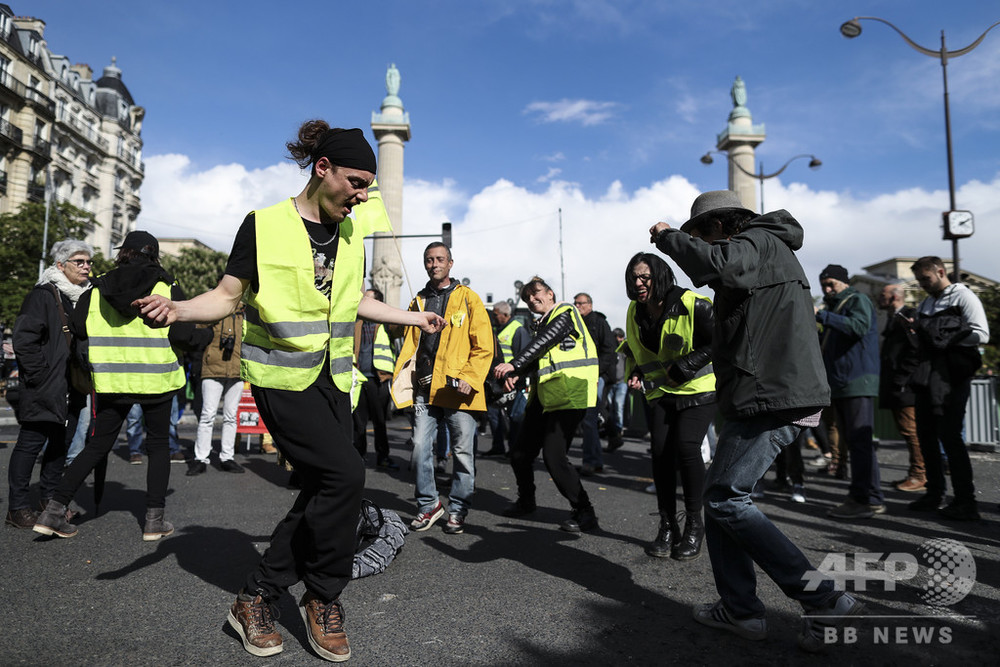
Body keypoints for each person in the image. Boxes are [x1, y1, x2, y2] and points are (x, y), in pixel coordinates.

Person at [132, 122, 444, 662]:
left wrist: (411, 315)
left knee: (325, 489)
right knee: (344, 476)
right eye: (356, 182)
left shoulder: (352, 222)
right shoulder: (264, 225)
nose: (364, 195)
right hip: (281, 377)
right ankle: (322, 595)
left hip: (333, 378)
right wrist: (179, 308)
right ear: (322, 169)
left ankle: (255, 595)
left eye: (371, 184)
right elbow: (228, 294)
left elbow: (351, 303)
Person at [651, 190, 861, 653]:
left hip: (773, 392)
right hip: (761, 391)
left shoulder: (760, 240)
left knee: (725, 498)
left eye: (703, 233)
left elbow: (721, 265)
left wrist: (669, 238)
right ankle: (741, 610)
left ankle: (823, 600)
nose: (703, 243)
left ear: (724, 226)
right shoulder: (761, 247)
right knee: (720, 498)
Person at [34, 231, 201, 541]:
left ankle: (53, 511)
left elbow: (80, 326)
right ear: (153, 254)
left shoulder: (96, 288)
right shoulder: (167, 287)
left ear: (124, 252)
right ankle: (154, 521)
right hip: (158, 379)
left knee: (97, 446)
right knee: (158, 445)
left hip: (112, 381)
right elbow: (184, 334)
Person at [392, 242, 493, 535]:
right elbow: (405, 337)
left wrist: (471, 378)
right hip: (424, 388)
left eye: (439, 259)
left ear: (450, 263)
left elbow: (484, 346)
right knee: (420, 447)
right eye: (429, 260)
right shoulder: (419, 300)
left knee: (462, 453)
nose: (434, 264)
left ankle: (458, 509)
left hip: (459, 390)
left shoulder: (468, 299)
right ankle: (429, 506)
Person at [621, 252, 716, 560]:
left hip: (700, 388)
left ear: (660, 276)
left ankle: (694, 524)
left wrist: (688, 364)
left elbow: (726, 337)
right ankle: (667, 525)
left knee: (687, 448)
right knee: (661, 453)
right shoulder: (635, 312)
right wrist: (636, 372)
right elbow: (640, 351)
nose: (638, 283)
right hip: (663, 391)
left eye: (644, 277)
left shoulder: (693, 304)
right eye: (634, 277)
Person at [494, 277, 600, 533]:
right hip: (544, 397)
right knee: (519, 453)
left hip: (569, 394)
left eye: (536, 293)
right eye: (526, 297)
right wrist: (518, 376)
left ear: (551, 293)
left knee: (554, 458)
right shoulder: (539, 325)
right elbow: (541, 355)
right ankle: (526, 500)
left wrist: (515, 364)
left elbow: (547, 340)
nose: (531, 299)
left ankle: (585, 511)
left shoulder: (565, 311)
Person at [6, 240, 91, 529]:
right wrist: (40, 376)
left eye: (88, 261)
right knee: (30, 444)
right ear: (60, 265)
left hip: (71, 386)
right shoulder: (42, 296)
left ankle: (48, 501)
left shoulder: (79, 298)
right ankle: (17, 509)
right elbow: (24, 339)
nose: (86, 266)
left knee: (59, 445)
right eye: (79, 261)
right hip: (45, 385)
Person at [898, 256, 989, 520]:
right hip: (928, 374)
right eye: (920, 280)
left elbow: (981, 333)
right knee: (926, 435)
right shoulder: (927, 302)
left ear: (940, 272)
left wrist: (945, 339)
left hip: (952, 376)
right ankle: (934, 492)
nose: (923, 284)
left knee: (950, 436)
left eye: (926, 279)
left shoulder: (963, 296)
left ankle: (965, 500)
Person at [814, 264, 884, 520]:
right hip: (843, 382)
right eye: (824, 285)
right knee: (855, 443)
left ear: (844, 282)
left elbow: (859, 327)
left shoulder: (857, 299)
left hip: (856, 380)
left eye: (831, 283)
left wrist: (822, 316)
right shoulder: (836, 306)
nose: (828, 289)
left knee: (860, 443)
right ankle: (865, 496)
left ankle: (866, 498)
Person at [876, 282, 924, 492]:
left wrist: (901, 378)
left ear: (894, 297)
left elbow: (915, 350)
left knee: (911, 431)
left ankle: (919, 475)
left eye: (883, 294)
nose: (879, 298)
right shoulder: (894, 318)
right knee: (908, 431)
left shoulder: (906, 317)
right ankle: (917, 473)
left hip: (905, 387)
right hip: (899, 384)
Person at [188, 309, 245, 475]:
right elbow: (197, 333)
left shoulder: (245, 312)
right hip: (211, 369)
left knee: (231, 416)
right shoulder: (213, 308)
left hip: (236, 371)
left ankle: (227, 457)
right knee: (207, 415)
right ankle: (201, 458)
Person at [352, 288, 399, 470]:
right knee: (359, 422)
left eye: (368, 300)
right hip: (359, 376)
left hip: (378, 378)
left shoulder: (386, 323)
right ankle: (358, 456)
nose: (363, 302)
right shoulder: (357, 322)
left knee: (379, 421)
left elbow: (401, 329)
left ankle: (383, 455)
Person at [573, 292, 616, 475]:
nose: (577, 306)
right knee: (588, 420)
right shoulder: (576, 323)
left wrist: (596, 372)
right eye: (575, 303)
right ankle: (594, 460)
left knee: (589, 419)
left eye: (581, 303)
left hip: (595, 376)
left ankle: (591, 461)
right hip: (581, 376)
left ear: (589, 304)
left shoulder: (599, 322)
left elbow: (609, 351)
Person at [482, 300, 530, 457]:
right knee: (494, 415)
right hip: (498, 382)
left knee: (513, 417)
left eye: (495, 314)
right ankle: (498, 446)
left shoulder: (517, 330)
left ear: (505, 315)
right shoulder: (500, 330)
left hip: (512, 382)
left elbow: (523, 358)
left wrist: (516, 378)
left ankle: (514, 448)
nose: (493, 317)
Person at [604, 327, 628, 452]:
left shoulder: (624, 350)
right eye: (616, 336)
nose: (618, 339)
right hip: (610, 383)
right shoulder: (611, 349)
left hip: (621, 382)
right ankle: (614, 433)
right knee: (609, 408)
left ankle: (618, 431)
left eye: (620, 336)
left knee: (618, 407)